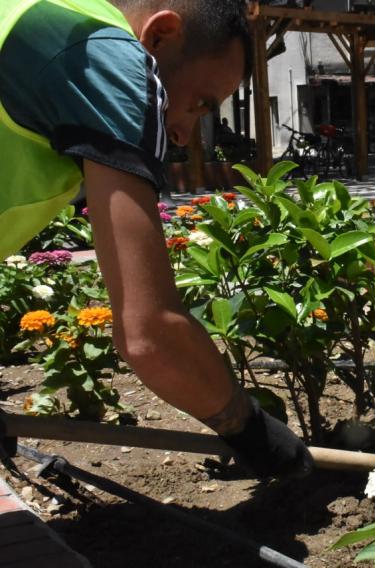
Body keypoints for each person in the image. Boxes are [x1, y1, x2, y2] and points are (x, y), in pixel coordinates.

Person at [0, 0, 313, 479]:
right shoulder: (108, 59)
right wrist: (249, 427)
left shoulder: (36, 16)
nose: (186, 134)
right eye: (199, 103)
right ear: (160, 36)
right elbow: (150, 335)